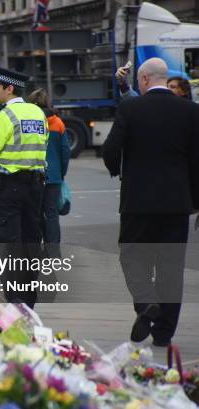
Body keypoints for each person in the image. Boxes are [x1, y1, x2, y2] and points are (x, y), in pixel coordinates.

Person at [103, 57, 199, 346]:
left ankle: (146, 303)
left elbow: (111, 150)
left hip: (138, 201)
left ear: (143, 79)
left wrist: (116, 169)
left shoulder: (131, 107)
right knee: (171, 267)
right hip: (177, 203)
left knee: (132, 255)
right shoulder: (191, 111)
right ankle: (164, 332)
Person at [0, 68, 49, 309]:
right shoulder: (37, 113)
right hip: (35, 185)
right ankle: (29, 300)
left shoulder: (6, 116)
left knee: (8, 244)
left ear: (10, 89)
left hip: (8, 187)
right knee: (31, 242)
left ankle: (14, 300)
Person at [26, 88, 70, 256]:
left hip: (35, 174)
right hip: (54, 176)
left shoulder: (31, 123)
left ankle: (36, 248)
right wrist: (61, 173)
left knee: (35, 213)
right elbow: (65, 152)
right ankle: (53, 250)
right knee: (51, 213)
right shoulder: (58, 123)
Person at [115, 65, 193, 100]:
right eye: (167, 86)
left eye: (172, 87)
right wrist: (122, 82)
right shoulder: (159, 104)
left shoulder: (192, 111)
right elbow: (134, 99)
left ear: (184, 92)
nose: (167, 90)